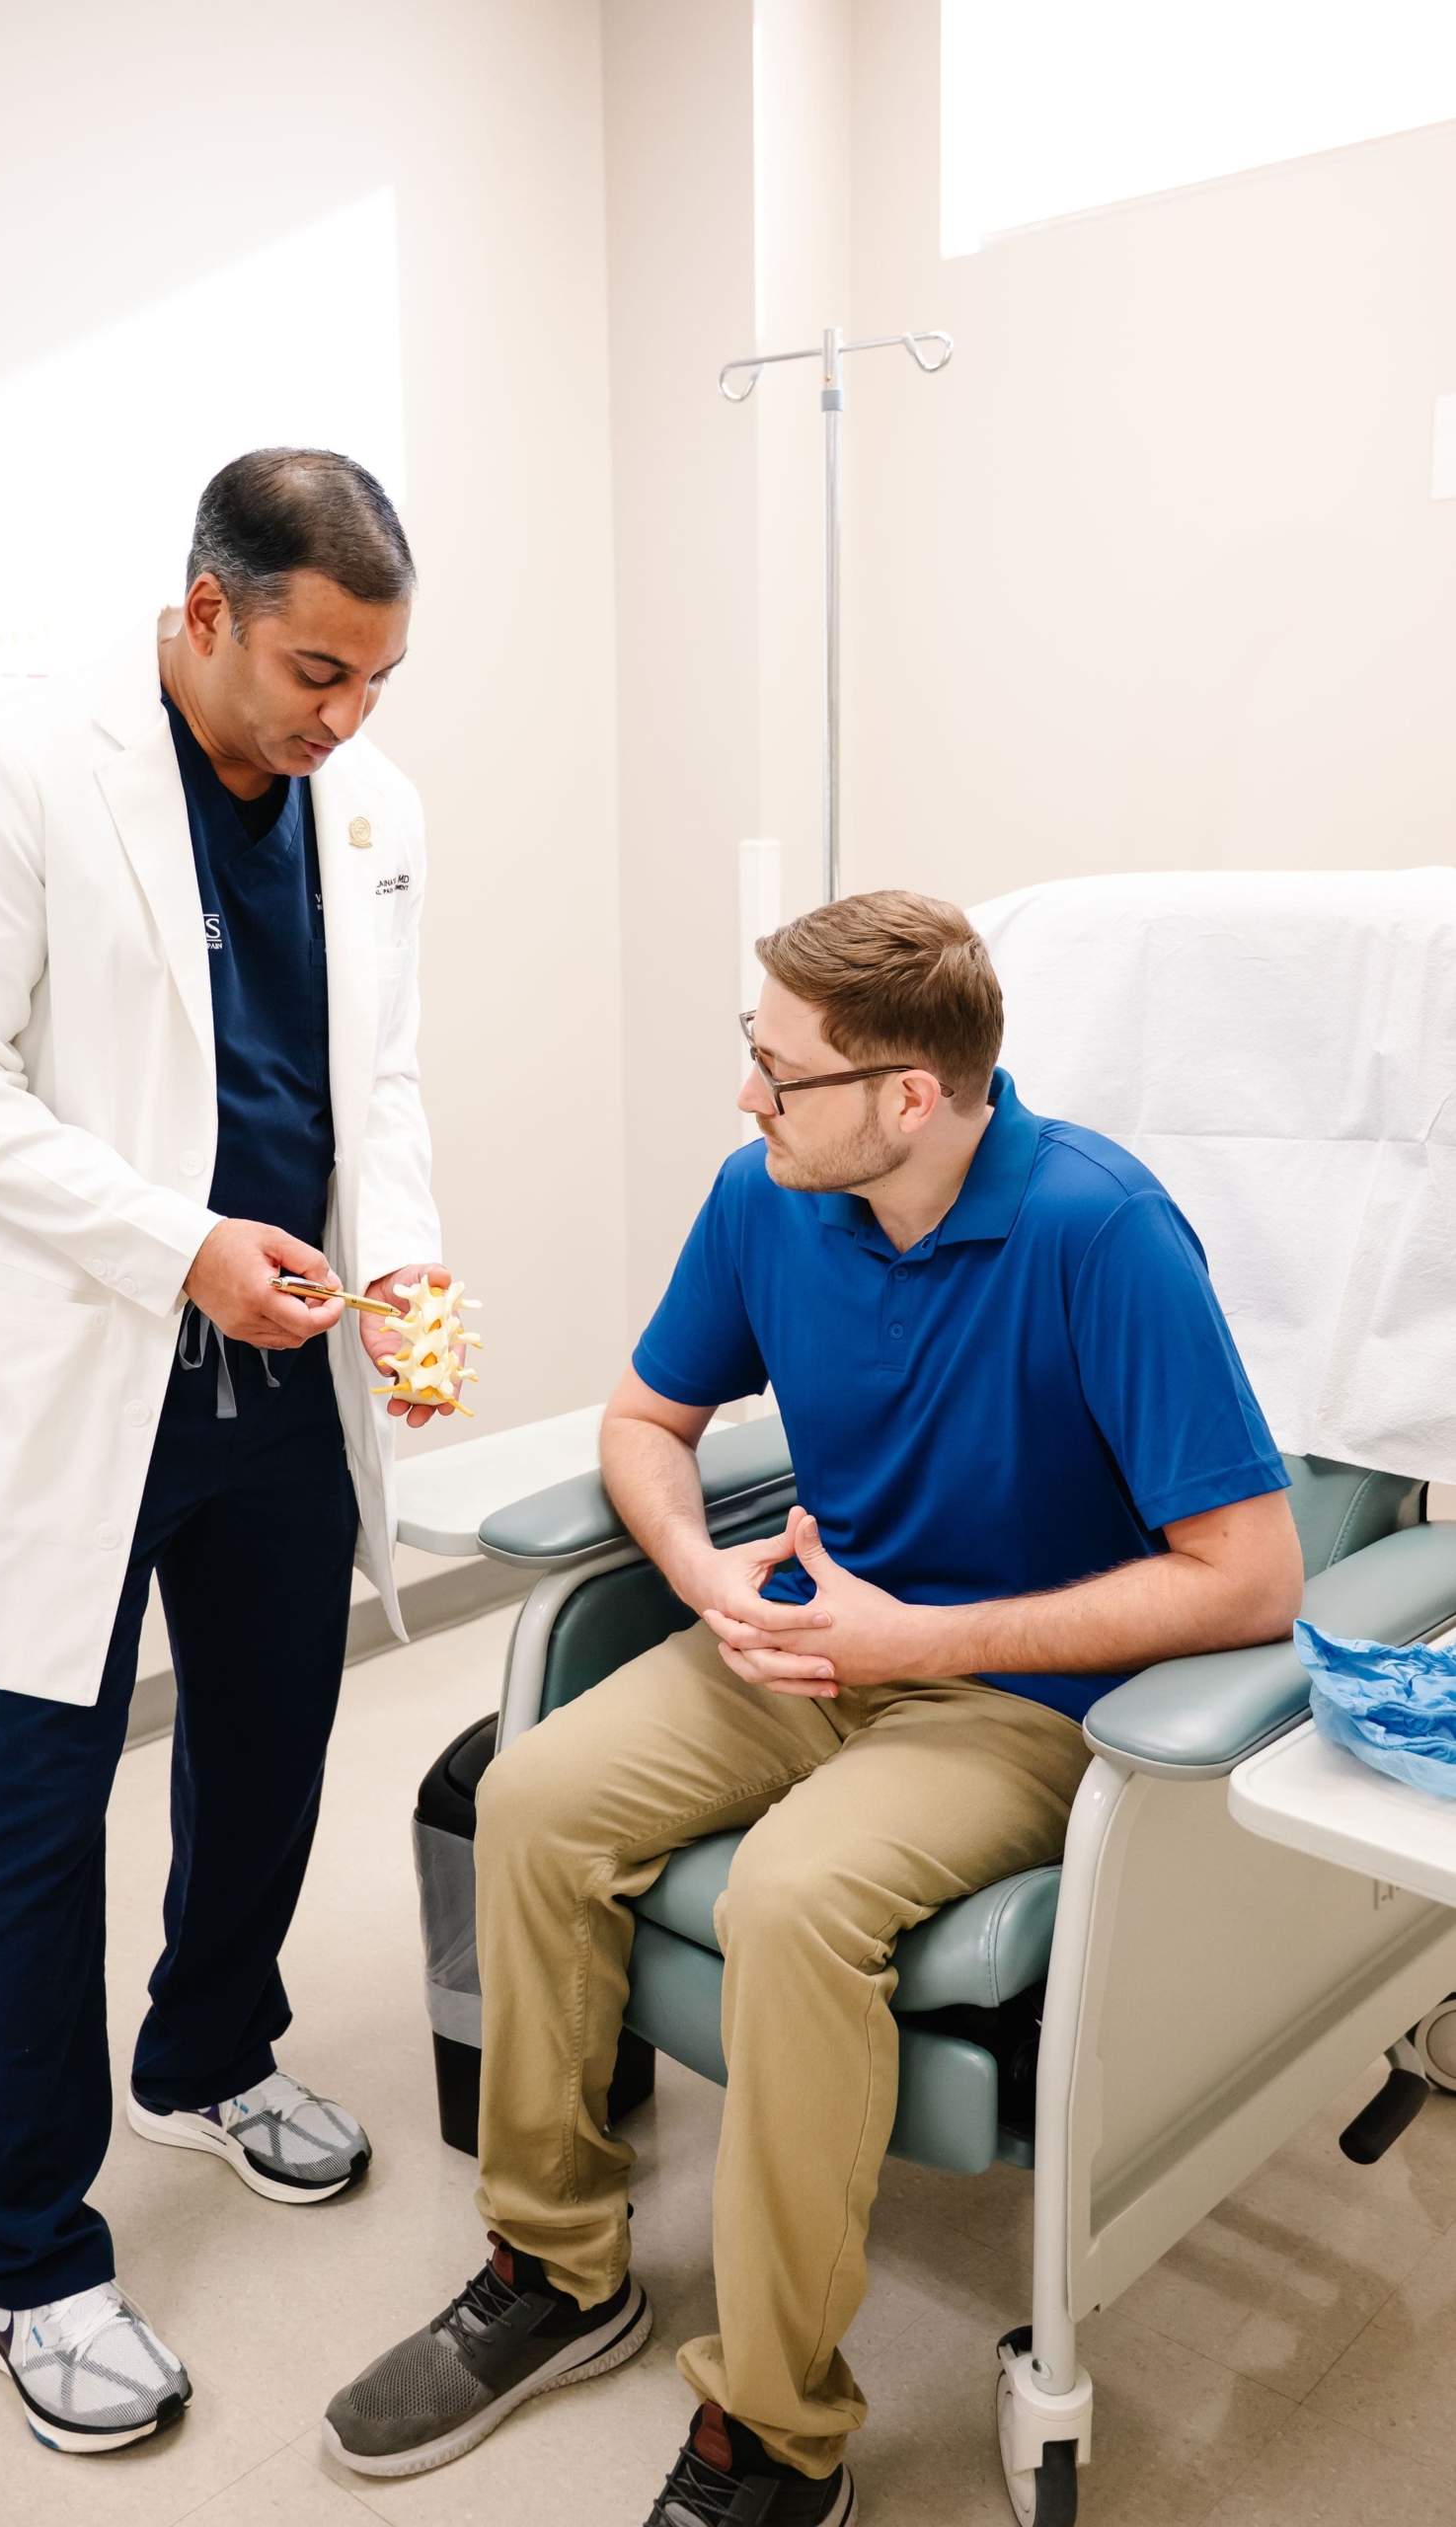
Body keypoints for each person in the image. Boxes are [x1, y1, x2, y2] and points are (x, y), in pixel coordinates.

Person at [323, 890, 1304, 2524]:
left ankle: (777, 2431)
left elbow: (1249, 1575)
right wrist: (705, 1583)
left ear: (908, 1096)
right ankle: (559, 2271)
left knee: (792, 1904)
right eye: (748, 1055)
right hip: (791, 1644)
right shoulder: (766, 1195)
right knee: (533, 1791)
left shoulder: (1100, 1233)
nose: (745, 1098)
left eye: (778, 1071)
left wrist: (915, 1638)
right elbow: (648, 1421)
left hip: (1009, 1696)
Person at [0, 448, 464, 2454]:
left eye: (376, 678)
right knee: (40, 1804)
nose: (344, 718)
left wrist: (417, 1271)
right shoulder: (23, 768)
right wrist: (179, 1245)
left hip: (290, 1374)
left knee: (275, 1737)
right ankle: (19, 2247)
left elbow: (376, 1078)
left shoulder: (367, 804)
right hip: (94, 1372)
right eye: (316, 670)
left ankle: (210, 2050)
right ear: (207, 607)